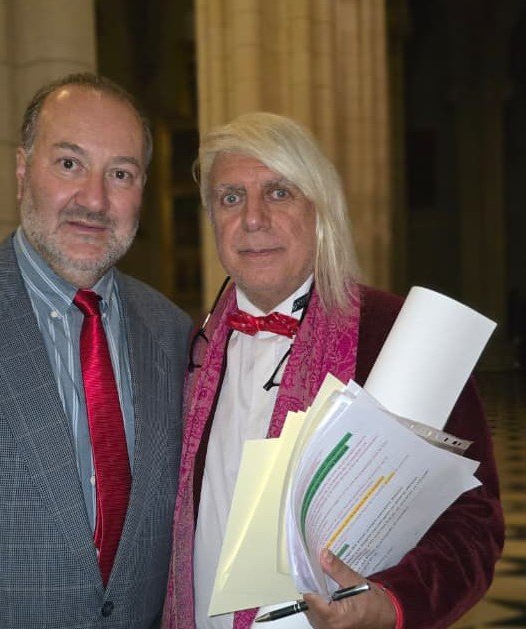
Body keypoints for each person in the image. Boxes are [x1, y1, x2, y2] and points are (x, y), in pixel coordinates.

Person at [163, 112, 504, 629]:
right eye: (231, 197)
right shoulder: (192, 349)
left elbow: (473, 523)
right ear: (212, 220)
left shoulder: (394, 335)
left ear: (320, 209)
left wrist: (391, 603)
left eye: (279, 193)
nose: (252, 219)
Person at [0, 73, 191, 628]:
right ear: (22, 171)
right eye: (70, 163)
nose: (94, 200)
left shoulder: (173, 334)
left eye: (120, 174)